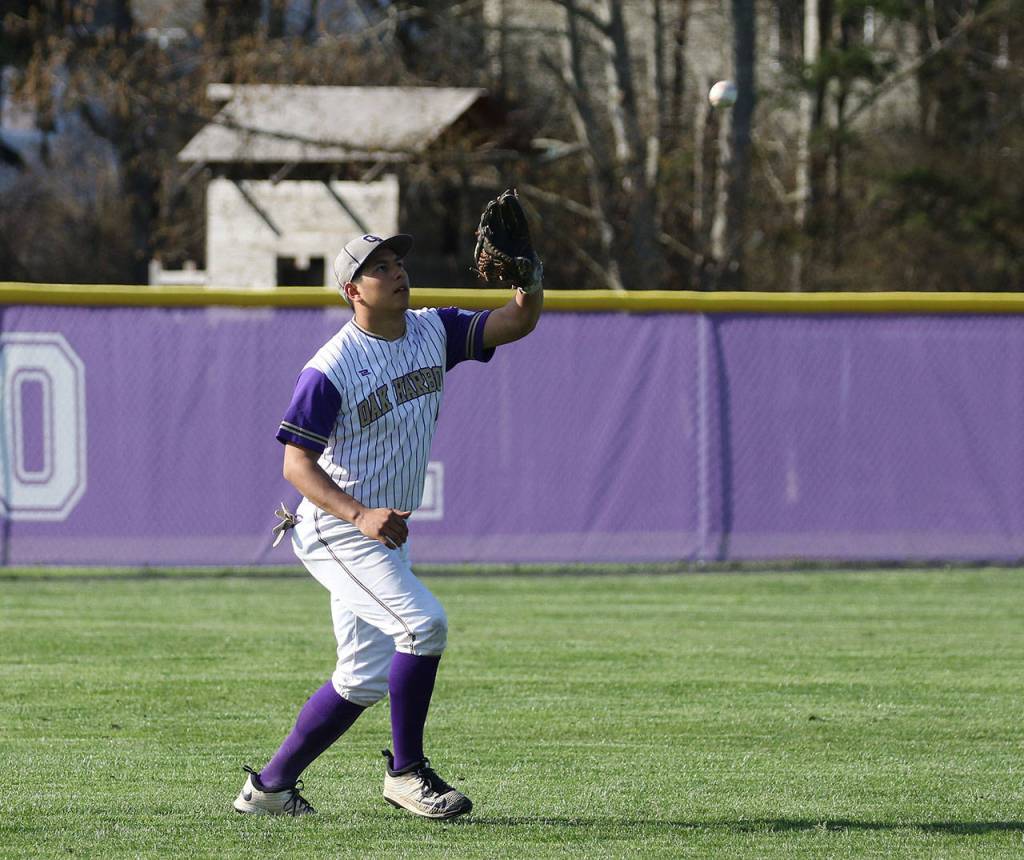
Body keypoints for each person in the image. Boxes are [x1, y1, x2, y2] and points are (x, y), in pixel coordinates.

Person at [233, 228, 543, 819]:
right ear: (353, 289)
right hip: (336, 526)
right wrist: (358, 514)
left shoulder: (433, 328)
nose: (397, 271)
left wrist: (530, 283)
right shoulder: (330, 367)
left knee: (362, 678)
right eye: (380, 267)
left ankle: (269, 790)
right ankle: (406, 773)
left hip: (381, 531)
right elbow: (294, 463)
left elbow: (514, 322)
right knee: (424, 626)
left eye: (399, 260)